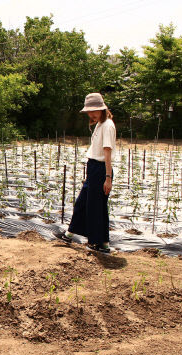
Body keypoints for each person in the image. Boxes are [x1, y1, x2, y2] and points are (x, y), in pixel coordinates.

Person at [56, 93, 116, 253]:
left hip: (101, 169)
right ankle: (69, 235)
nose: (91, 114)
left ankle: (99, 244)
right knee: (82, 203)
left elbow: (107, 152)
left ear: (102, 109)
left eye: (94, 111)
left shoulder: (108, 125)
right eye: (89, 112)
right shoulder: (100, 124)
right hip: (94, 168)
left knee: (96, 208)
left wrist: (107, 177)